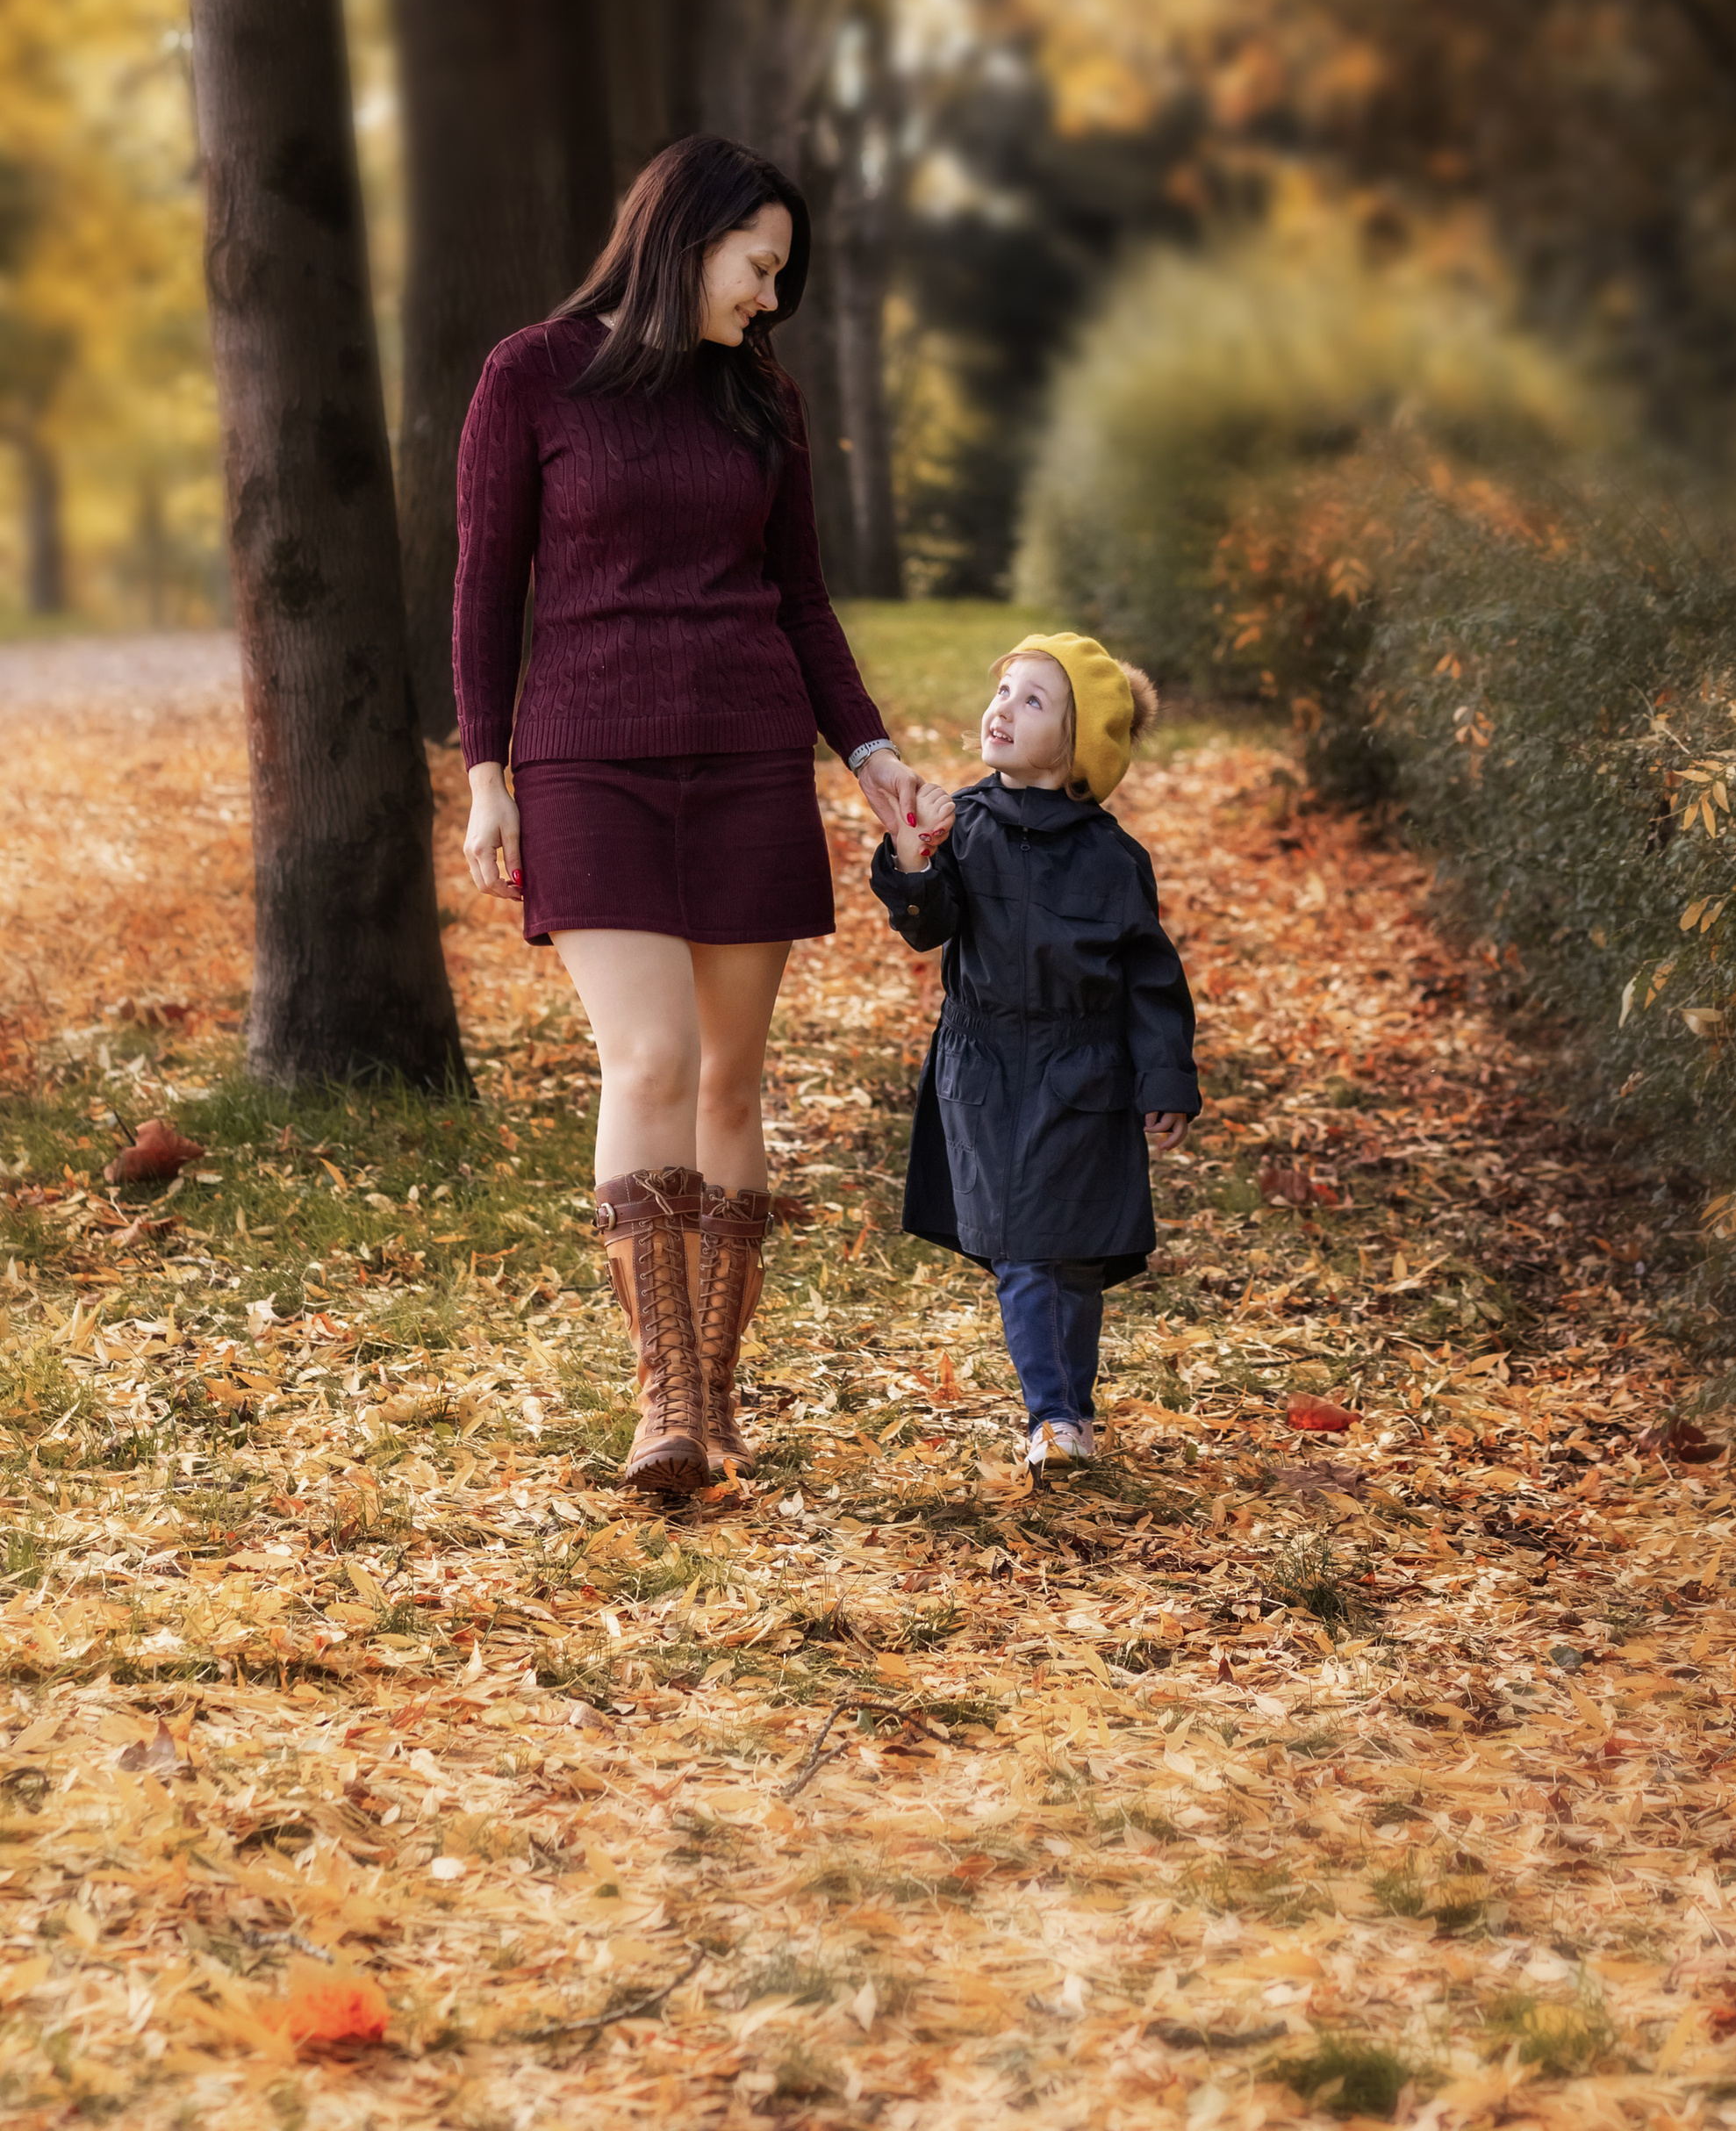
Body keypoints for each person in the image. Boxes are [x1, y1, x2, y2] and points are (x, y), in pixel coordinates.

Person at [454, 133, 937, 1496]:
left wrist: (874, 755)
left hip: (746, 757)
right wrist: (485, 771)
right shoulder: (533, 372)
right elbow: (486, 583)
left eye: (782, 275)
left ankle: (716, 1406)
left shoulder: (761, 404)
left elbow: (803, 601)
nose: (769, 297)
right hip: (586, 757)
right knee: (652, 1059)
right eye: (758, 264)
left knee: (732, 1078)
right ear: (690, 237)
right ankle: (663, 1396)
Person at [871, 635, 1199, 1473]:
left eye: (1033, 701)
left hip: (1082, 1072)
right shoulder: (966, 827)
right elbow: (928, 926)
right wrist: (913, 858)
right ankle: (1056, 1415)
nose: (1004, 709)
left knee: (1070, 1251)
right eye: (1005, 690)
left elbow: (1149, 979)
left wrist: (1164, 1078)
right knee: (1024, 1250)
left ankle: (1065, 1411)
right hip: (983, 1070)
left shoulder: (1114, 859)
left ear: (1079, 746)